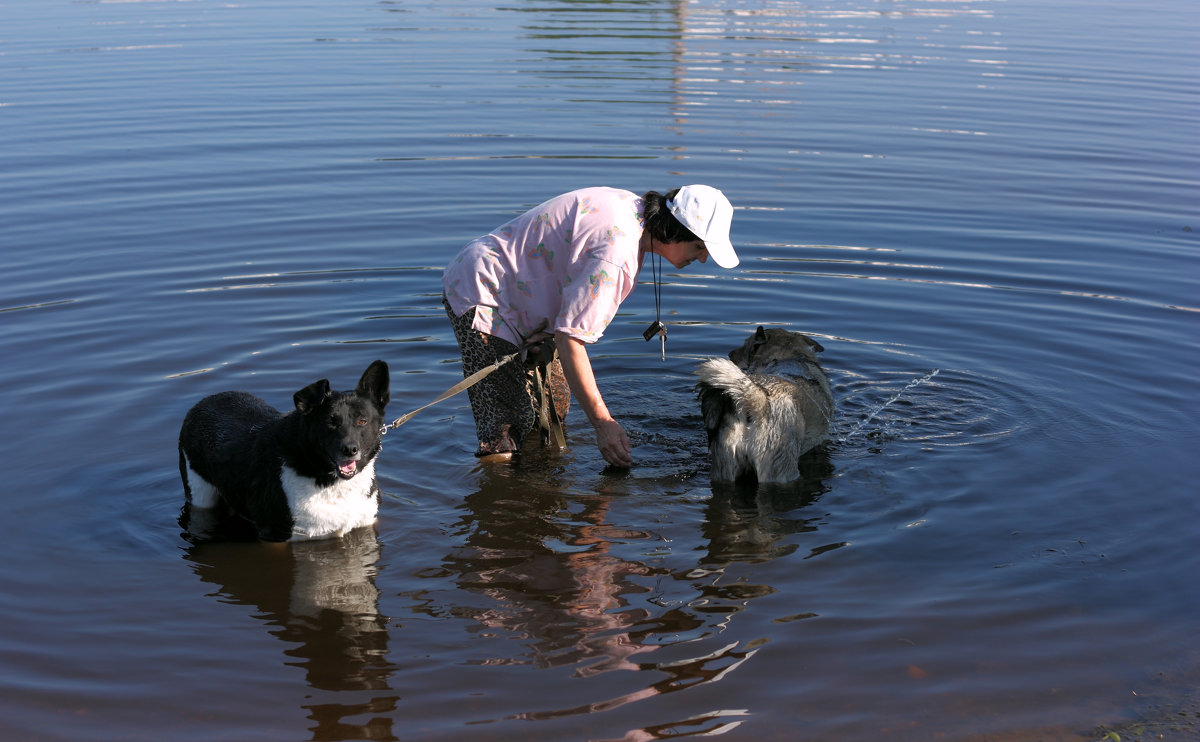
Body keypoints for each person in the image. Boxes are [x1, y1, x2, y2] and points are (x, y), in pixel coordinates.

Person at [442, 184, 739, 467]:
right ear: (674, 231)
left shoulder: (633, 209)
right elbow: (570, 340)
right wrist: (604, 424)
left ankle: (536, 484)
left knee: (556, 404)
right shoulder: (615, 257)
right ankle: (500, 497)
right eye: (700, 247)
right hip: (483, 290)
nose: (702, 259)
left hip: (523, 297)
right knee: (506, 422)